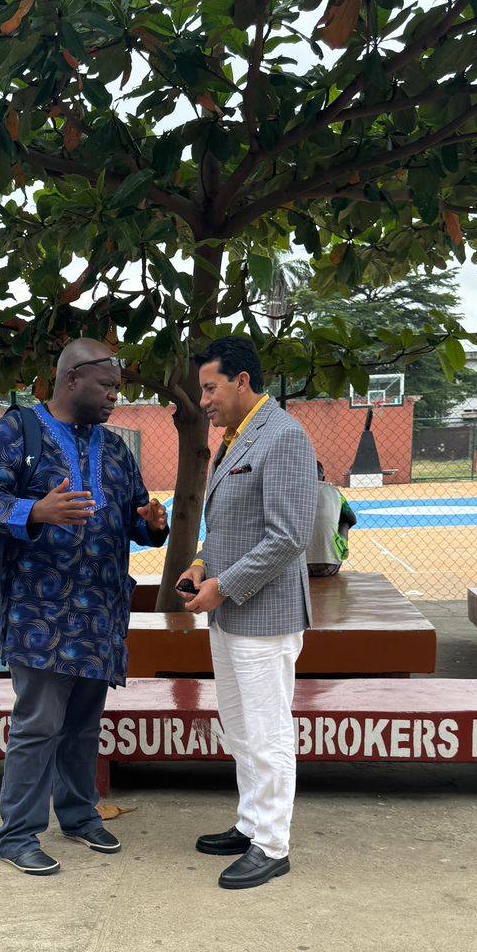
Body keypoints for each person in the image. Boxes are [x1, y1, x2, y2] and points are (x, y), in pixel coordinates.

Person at [0, 340, 168, 875]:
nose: (114, 397)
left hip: (99, 613)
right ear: (72, 378)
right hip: (38, 613)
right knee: (38, 724)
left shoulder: (116, 449)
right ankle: (18, 835)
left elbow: (134, 514)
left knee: (83, 724)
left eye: (118, 389)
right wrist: (36, 510)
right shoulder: (17, 433)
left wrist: (152, 524)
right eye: (107, 386)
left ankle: (79, 816)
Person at [178, 337, 318, 891]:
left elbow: (288, 536)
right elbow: (229, 528)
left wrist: (224, 586)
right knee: (239, 728)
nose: (204, 401)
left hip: (265, 616)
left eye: (210, 388)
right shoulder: (236, 438)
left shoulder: (283, 436)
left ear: (242, 381)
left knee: (266, 731)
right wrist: (200, 564)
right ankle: (251, 823)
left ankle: (272, 845)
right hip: (230, 613)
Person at [307, 462, 357, 577]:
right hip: (329, 566)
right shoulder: (334, 491)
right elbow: (352, 519)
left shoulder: (294, 492)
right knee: (344, 522)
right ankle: (338, 552)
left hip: (299, 566)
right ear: (323, 477)